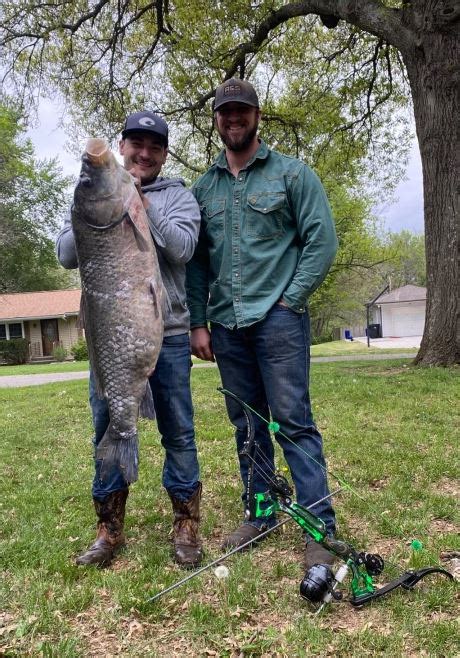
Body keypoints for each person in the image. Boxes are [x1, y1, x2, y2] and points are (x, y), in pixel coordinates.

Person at [186, 79, 338, 569]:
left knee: (293, 421)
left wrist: (290, 301)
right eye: (225, 112)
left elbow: (322, 242)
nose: (234, 119)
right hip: (227, 326)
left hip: (279, 321)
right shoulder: (203, 188)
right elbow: (196, 266)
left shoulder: (292, 175)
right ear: (216, 120)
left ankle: (319, 525)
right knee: (246, 424)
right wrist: (198, 323)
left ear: (257, 116)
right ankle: (261, 511)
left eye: (242, 111)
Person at [56, 111, 203, 568]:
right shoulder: (92, 193)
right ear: (121, 146)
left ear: (163, 153)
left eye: (153, 146)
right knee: (108, 425)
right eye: (135, 144)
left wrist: (143, 205)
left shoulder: (179, 196)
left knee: (178, 431)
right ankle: (109, 529)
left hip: (171, 335)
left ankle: (186, 524)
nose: (143, 153)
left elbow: (182, 248)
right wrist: (103, 203)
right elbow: (64, 254)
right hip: (109, 338)